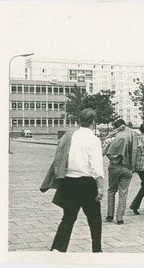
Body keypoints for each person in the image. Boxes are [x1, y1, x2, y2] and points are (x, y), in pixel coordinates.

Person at [43, 108, 104, 252]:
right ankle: (97, 250)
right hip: (87, 183)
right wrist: (100, 187)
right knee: (94, 218)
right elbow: (96, 166)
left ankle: (58, 249)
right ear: (94, 121)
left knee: (68, 217)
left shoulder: (70, 136)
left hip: (69, 182)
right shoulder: (94, 139)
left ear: (79, 121)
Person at [105, 119, 138, 225]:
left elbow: (103, 149)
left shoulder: (113, 137)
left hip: (114, 166)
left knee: (111, 191)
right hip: (127, 167)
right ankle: (120, 217)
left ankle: (110, 215)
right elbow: (138, 148)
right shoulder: (133, 134)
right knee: (123, 193)